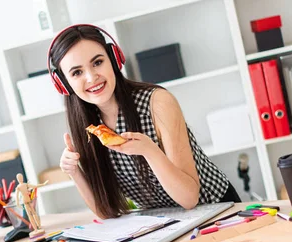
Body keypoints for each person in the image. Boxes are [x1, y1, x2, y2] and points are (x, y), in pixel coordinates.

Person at [50, 24, 241, 219]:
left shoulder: (157, 102)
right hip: (165, 223)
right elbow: (105, 212)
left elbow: (189, 198)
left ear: (114, 59)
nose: (91, 77)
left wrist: (150, 151)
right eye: (77, 72)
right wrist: (74, 172)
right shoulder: (89, 128)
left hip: (216, 211)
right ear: (64, 84)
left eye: (98, 62)